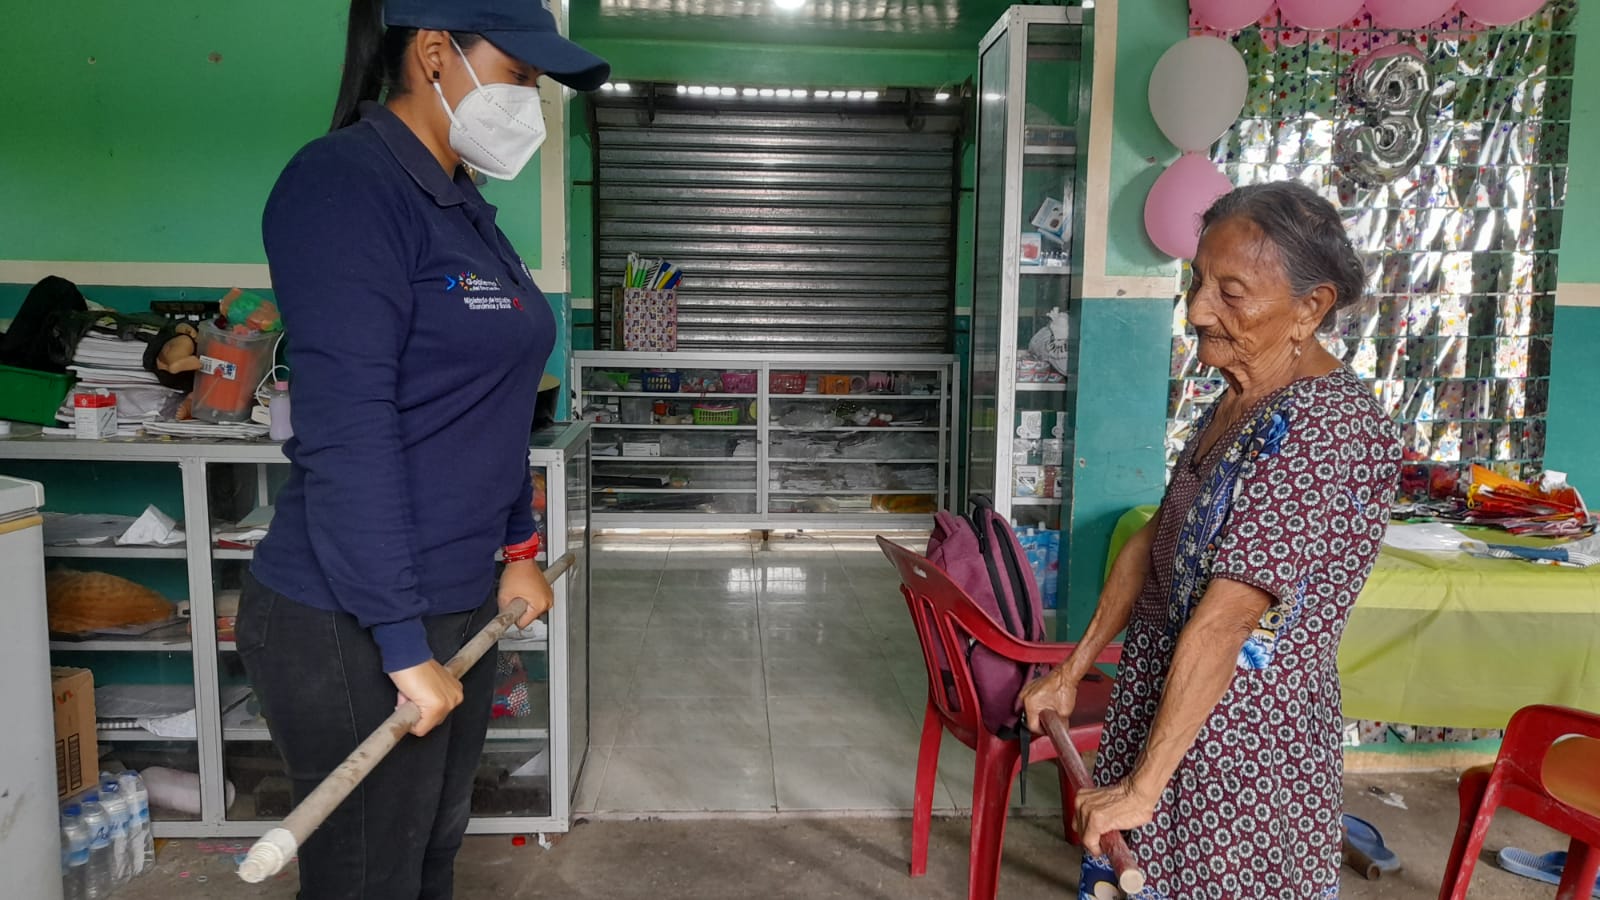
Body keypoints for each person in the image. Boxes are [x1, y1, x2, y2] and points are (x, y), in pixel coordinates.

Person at [237, 1, 607, 897]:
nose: (530, 103)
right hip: (351, 619)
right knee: (371, 877)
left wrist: (519, 549)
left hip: (456, 599)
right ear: (435, 52)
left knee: (432, 853)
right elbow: (349, 431)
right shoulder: (343, 185)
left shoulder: (464, 206)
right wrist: (402, 646)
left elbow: (491, 411)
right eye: (519, 76)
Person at [1021, 182, 1402, 899]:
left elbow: (1231, 620)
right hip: (1164, 710)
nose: (1197, 310)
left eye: (1231, 293)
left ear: (1311, 307)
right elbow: (1154, 540)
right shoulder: (1239, 399)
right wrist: (1073, 669)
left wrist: (1143, 787)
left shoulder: (1326, 428)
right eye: (1197, 282)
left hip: (1240, 748)